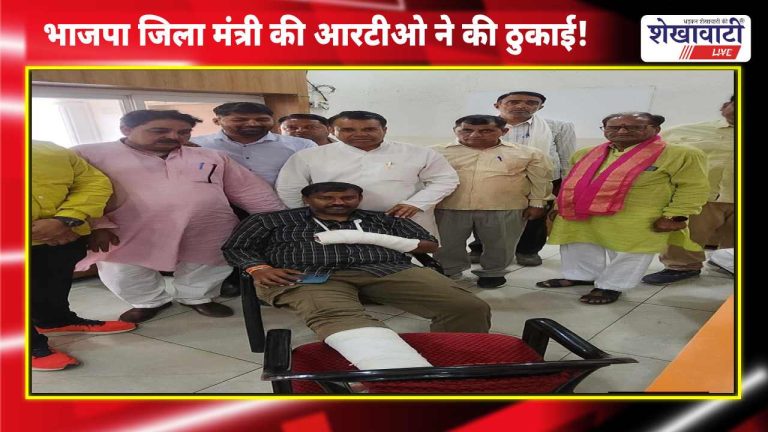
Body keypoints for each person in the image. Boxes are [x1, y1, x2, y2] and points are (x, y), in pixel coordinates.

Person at [222, 182, 490, 370]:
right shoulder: (270, 220)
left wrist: (381, 239)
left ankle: (455, 361)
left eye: (347, 198)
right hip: (309, 275)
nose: (338, 202)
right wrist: (258, 268)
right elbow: (236, 247)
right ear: (306, 200)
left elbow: (429, 245)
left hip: (388, 269)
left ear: (359, 199)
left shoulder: (383, 219)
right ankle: (397, 373)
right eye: (327, 197)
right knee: (344, 321)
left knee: (467, 306)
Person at [73, 110, 286, 323]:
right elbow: (75, 193)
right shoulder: (88, 155)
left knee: (207, 264)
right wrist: (98, 225)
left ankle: (197, 297)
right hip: (123, 228)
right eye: (160, 130)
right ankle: (147, 302)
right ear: (126, 129)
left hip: (207, 225)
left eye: (184, 132)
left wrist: (278, 222)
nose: (174, 137)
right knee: (123, 268)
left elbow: (249, 189)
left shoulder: (210, 156)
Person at [536, 112, 709, 304]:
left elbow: (693, 187)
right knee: (578, 243)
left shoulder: (681, 154)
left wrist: (675, 216)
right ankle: (581, 275)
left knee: (631, 252)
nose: (622, 131)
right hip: (581, 212)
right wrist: (559, 206)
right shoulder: (585, 153)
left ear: (656, 129)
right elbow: (570, 182)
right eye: (614, 127)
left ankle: (611, 286)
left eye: (634, 127)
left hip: (637, 216)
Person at [31, 140, 136, 371]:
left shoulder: (48, 149)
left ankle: (55, 321)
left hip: (64, 235)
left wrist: (66, 219)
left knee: (53, 284)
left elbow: (93, 182)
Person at [275, 110, 459, 236]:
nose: (360, 134)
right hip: (334, 222)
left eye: (369, 129)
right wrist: (308, 215)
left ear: (384, 130)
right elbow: (289, 188)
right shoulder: (308, 156)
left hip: (404, 220)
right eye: (348, 130)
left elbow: (446, 179)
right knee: (348, 265)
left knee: (412, 266)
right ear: (332, 130)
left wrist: (416, 203)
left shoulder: (418, 153)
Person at [433, 115, 553, 288]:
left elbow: (541, 181)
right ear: (455, 131)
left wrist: (537, 204)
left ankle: (493, 273)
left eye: (486, 131)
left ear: (504, 131)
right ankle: (449, 271)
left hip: (504, 206)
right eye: (467, 130)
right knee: (447, 243)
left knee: (501, 244)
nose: (475, 135)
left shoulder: (528, 154)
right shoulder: (436, 152)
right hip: (450, 206)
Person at [469, 91, 576, 267]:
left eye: (531, 102)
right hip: (493, 178)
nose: (522, 106)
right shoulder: (481, 125)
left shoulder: (559, 126)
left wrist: (567, 185)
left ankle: (527, 251)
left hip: (541, 179)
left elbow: (567, 158)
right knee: (486, 215)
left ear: (540, 107)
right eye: (513, 102)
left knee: (535, 215)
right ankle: (480, 248)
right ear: (497, 105)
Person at [642, 96, 735, 284]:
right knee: (688, 233)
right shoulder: (681, 131)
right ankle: (681, 266)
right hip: (701, 195)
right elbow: (652, 156)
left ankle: (729, 264)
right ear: (725, 106)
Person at [191, 102, 316, 186]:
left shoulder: (301, 146)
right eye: (240, 120)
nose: (252, 123)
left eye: (262, 119)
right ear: (217, 121)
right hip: (220, 207)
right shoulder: (197, 145)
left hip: (281, 207)